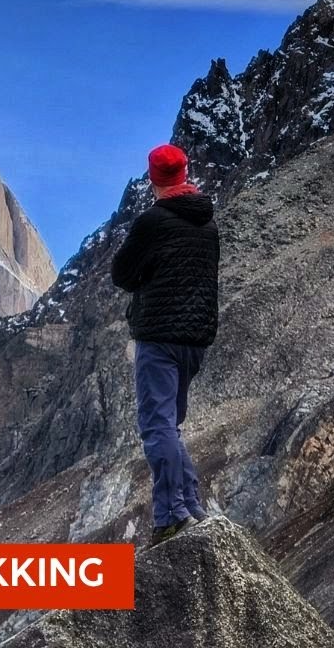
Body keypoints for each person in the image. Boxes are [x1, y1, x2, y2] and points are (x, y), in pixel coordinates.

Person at [111, 144, 220, 547]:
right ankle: (191, 505)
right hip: (194, 341)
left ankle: (171, 515)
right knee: (169, 426)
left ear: (153, 178)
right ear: (184, 173)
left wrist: (146, 279)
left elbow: (122, 273)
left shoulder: (152, 223)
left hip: (158, 337)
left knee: (157, 427)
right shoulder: (208, 226)